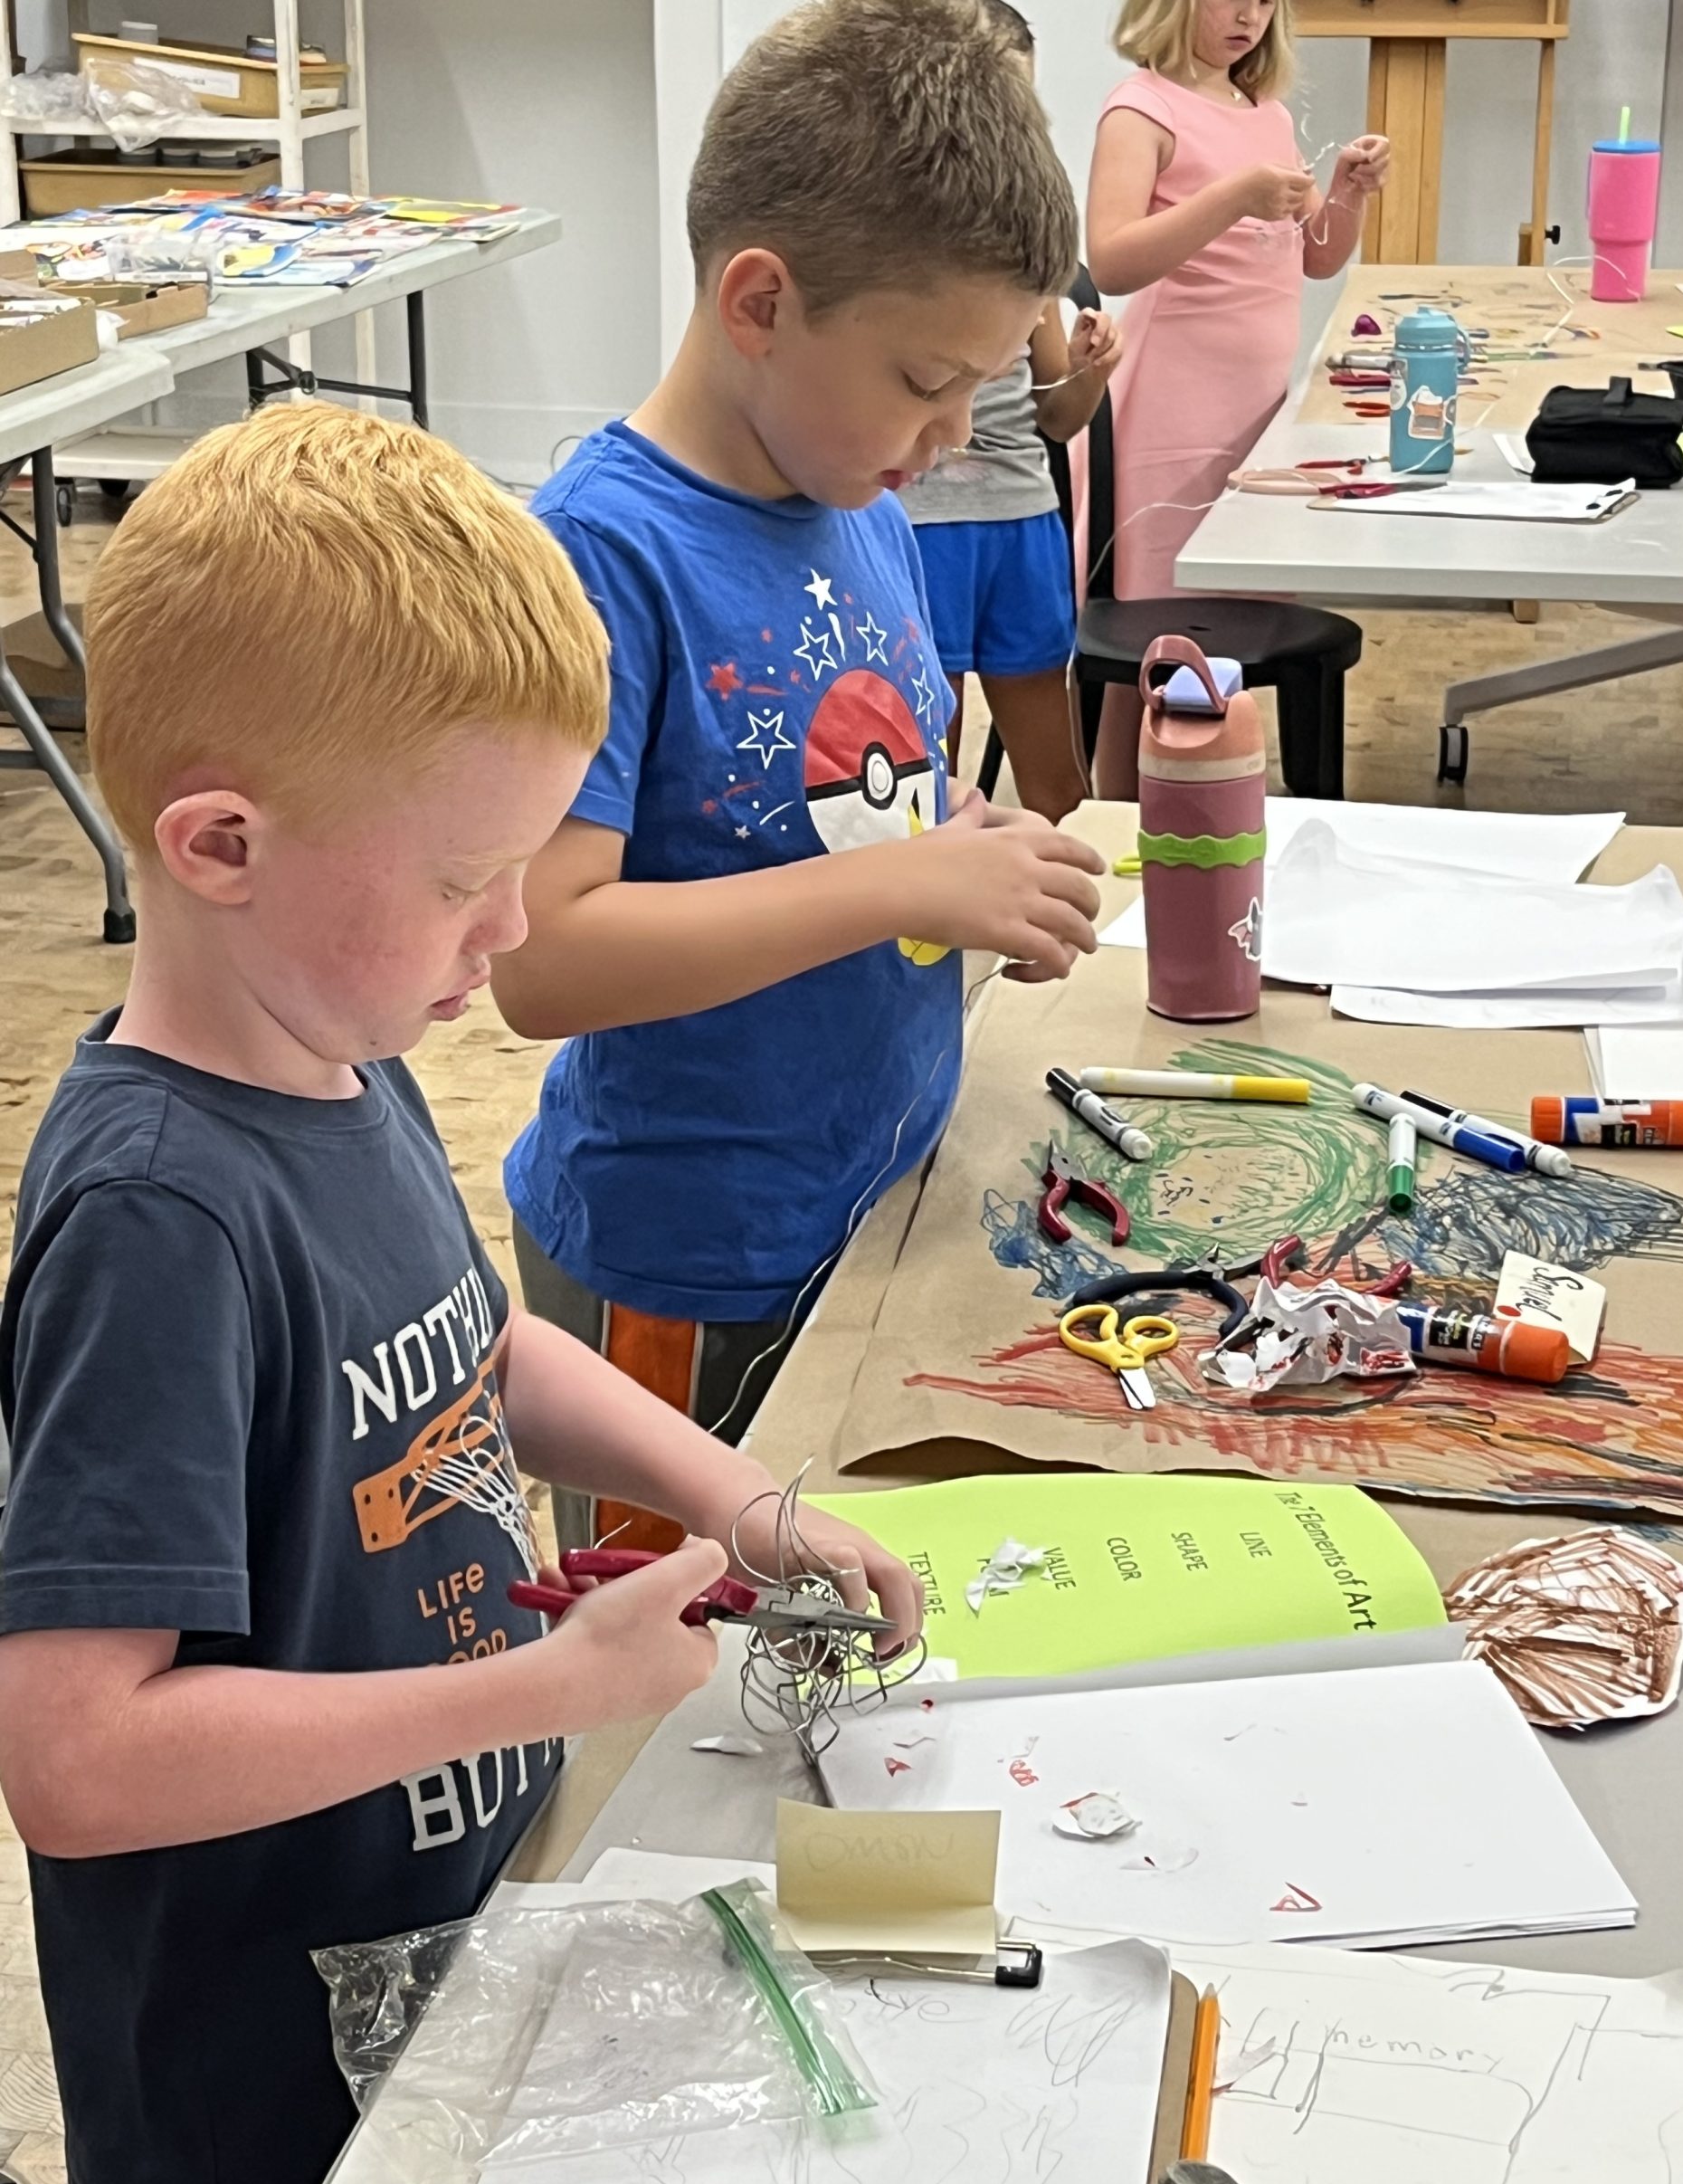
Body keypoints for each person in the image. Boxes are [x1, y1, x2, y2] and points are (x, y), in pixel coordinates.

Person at [0, 403, 922, 2184]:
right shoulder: (160, 1218)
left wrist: (735, 1488)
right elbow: (74, 1759)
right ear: (221, 844)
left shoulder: (348, 1046)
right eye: (460, 880)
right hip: (257, 2116)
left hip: (447, 1958)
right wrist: (539, 1682)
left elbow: (476, 1344)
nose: (509, 933)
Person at [496, 0, 1106, 1550]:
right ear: (759, 300)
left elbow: (841, 808)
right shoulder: (601, 552)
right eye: (923, 378)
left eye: (979, 386)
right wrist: (899, 881)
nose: (954, 430)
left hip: (859, 1200)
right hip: (684, 1272)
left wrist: (957, 847)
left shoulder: (861, 491)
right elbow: (544, 957)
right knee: (688, 1687)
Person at [1085, 0, 1391, 793]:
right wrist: (1237, 196)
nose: (1250, 16)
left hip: (1250, 420)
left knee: (1234, 624)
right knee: (1152, 640)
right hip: (1167, 420)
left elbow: (1314, 258)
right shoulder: (1140, 109)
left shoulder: (1267, 115)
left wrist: (1346, 192)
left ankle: (1207, 802)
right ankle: (1128, 817)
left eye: (1266, 1)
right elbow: (1112, 260)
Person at [898, 2, 1125, 824]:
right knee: (932, 778)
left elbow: (1056, 419)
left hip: (1022, 525)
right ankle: (932, 943)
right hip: (919, 528)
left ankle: (1085, 944)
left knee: (1060, 785)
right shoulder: (893, 236)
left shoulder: (1038, 243)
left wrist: (1094, 375)